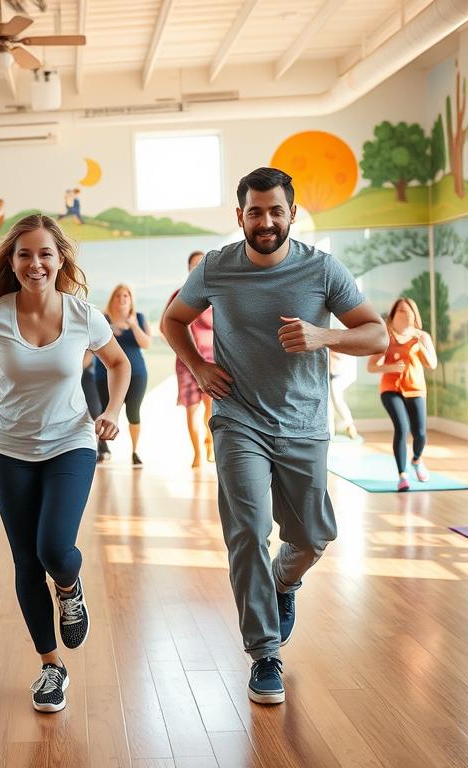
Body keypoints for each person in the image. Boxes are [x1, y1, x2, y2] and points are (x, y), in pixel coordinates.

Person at [162, 167, 386, 707]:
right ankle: (265, 654)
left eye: (275, 211)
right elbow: (174, 320)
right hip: (238, 418)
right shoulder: (216, 267)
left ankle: (285, 582)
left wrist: (324, 335)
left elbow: (377, 334)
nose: (266, 221)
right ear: (240, 216)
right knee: (247, 531)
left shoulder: (322, 269)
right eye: (255, 212)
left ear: (292, 213)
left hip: (304, 422)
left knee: (312, 537)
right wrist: (198, 367)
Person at [0, 213, 130, 713]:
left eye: (45, 253)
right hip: (9, 450)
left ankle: (69, 587)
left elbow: (119, 363)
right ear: (12, 261)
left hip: (71, 442)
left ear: (60, 259)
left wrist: (112, 411)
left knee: (54, 549)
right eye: (24, 254)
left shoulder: (83, 315)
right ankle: (52, 667)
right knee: (26, 561)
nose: (35, 263)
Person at [367, 297, 437, 490]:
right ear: (393, 315)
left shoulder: (422, 337)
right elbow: (371, 367)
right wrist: (389, 367)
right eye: (400, 311)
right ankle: (402, 476)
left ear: (414, 315)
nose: (404, 315)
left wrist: (420, 345)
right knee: (402, 427)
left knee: (420, 433)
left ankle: (417, 460)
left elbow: (432, 364)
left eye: (407, 311)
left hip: (415, 388)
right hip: (390, 389)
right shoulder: (386, 337)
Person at [166, 251, 215, 467]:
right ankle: (196, 452)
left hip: (213, 361)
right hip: (186, 363)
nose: (197, 268)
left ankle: (210, 442)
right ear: (188, 269)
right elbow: (167, 326)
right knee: (191, 409)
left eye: (201, 264)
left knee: (211, 408)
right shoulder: (179, 295)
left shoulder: (215, 296)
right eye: (194, 265)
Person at [94, 284, 151, 466]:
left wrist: (133, 326)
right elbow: (92, 343)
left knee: (133, 412)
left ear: (131, 299)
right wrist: (109, 329)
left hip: (137, 374)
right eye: (118, 296)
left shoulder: (139, 318)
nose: (122, 299)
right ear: (112, 299)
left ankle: (135, 451)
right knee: (104, 409)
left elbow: (146, 343)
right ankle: (102, 449)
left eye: (126, 295)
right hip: (104, 373)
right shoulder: (103, 319)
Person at [328, 350, 361, 441]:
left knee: (337, 400)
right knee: (330, 404)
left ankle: (350, 426)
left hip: (338, 374)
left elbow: (339, 356)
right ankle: (331, 431)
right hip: (331, 374)